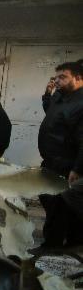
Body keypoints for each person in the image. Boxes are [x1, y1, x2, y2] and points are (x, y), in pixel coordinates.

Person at [38, 61, 83, 246]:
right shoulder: (61, 96)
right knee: (49, 201)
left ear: (79, 78)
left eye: (62, 77)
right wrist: (47, 95)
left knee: (60, 207)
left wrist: (78, 169)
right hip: (51, 162)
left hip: (67, 165)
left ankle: (53, 246)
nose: (57, 81)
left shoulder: (80, 104)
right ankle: (61, 241)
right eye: (56, 77)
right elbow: (51, 113)